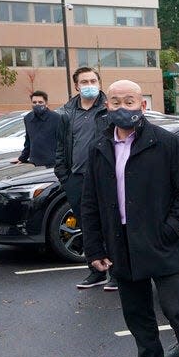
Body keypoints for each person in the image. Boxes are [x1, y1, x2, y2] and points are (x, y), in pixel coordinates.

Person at [80, 80, 179, 357]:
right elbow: (90, 200)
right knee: (136, 312)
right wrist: (94, 246)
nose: (123, 108)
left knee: (177, 311)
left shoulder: (165, 143)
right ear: (107, 106)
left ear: (143, 105)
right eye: (116, 101)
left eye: (130, 101)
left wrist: (172, 229)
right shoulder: (99, 147)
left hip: (160, 240)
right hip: (119, 243)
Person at [55, 66, 116, 291]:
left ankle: (116, 272)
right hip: (77, 179)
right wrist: (64, 176)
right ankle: (95, 271)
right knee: (88, 227)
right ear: (76, 85)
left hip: (106, 178)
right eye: (84, 81)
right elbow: (60, 147)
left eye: (93, 80)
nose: (89, 85)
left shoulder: (109, 109)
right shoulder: (66, 113)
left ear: (99, 82)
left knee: (111, 225)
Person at [12, 91, 59, 167]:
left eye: (40, 102)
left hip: (52, 163)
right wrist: (22, 158)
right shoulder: (28, 118)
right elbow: (28, 142)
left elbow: (64, 142)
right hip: (34, 163)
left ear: (46, 104)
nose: (37, 104)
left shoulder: (56, 118)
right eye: (34, 102)